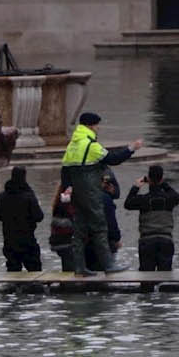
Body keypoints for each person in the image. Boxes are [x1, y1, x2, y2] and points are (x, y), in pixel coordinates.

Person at [59, 113, 140, 275]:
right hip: (90, 190)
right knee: (99, 227)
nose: (98, 129)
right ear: (90, 126)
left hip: (77, 192)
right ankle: (108, 265)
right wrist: (131, 148)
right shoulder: (90, 145)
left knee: (80, 229)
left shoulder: (72, 144)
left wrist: (67, 187)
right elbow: (113, 159)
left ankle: (79, 267)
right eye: (97, 125)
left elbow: (65, 168)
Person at [123, 164, 179, 271]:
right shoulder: (169, 199)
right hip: (166, 240)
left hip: (147, 241)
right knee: (165, 275)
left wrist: (136, 187)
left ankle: (147, 288)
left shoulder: (143, 200)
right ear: (161, 179)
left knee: (146, 275)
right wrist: (163, 184)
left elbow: (128, 204)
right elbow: (178, 197)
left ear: (149, 179)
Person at [0, 166, 45, 272]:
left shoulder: (1, 197)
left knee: (13, 270)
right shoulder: (28, 196)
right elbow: (39, 217)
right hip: (27, 240)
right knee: (34, 270)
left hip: (9, 240)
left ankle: (13, 288)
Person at [48, 169, 78, 274]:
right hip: (67, 240)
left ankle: (66, 285)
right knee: (70, 268)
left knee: (67, 266)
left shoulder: (57, 202)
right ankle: (68, 287)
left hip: (58, 240)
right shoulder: (66, 202)